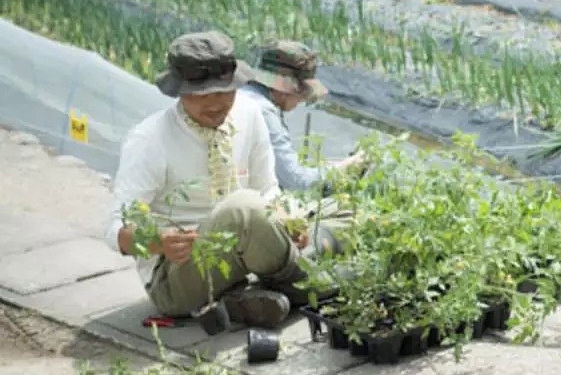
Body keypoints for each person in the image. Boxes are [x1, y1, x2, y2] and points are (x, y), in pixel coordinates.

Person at [104, 31, 314, 328]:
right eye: (201, 95)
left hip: (240, 253)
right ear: (179, 91)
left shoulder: (250, 114)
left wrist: (286, 219)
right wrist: (158, 242)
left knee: (329, 215)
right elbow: (114, 230)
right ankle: (312, 288)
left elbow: (267, 189)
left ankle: (240, 301)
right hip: (177, 277)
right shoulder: (149, 140)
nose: (215, 104)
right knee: (243, 207)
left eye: (224, 92)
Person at [239, 40, 367, 193]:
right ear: (285, 89)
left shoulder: (240, 93)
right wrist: (347, 168)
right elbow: (296, 183)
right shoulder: (264, 112)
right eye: (300, 93)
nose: (302, 99)